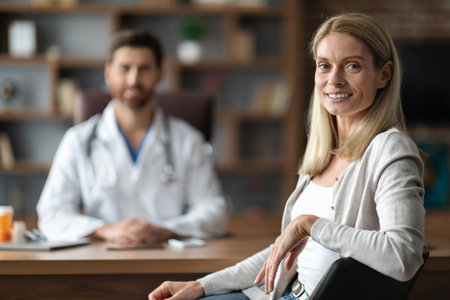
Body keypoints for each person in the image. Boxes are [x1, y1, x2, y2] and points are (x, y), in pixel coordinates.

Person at [148, 12, 425, 300]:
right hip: (283, 293)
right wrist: (202, 285)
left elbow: (403, 256)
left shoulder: (390, 149)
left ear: (384, 74)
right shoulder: (323, 154)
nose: (335, 79)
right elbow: (280, 251)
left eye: (352, 66)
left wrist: (310, 225)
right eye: (324, 66)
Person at [37, 29, 228, 246]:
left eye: (144, 69)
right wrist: (107, 230)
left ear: (159, 74)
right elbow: (51, 213)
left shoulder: (188, 140)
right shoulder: (78, 140)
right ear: (108, 73)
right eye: (125, 68)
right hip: (98, 260)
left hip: (169, 262)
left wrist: (164, 230)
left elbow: (215, 213)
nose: (134, 79)